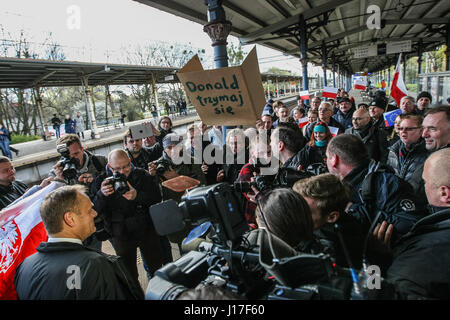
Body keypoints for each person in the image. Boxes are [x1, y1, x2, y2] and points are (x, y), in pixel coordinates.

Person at [14, 185, 144, 300]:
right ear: (70, 219)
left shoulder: (24, 267)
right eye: (89, 210)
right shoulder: (94, 265)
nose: (94, 214)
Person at [374, 148, 450, 299]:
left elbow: (375, 295)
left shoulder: (422, 252)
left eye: (425, 182)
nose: (424, 187)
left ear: (444, 193)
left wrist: (375, 264)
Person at [326, 134, 424, 239]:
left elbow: (414, 224)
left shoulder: (388, 183)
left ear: (334, 160)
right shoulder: (338, 187)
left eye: (327, 157)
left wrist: (356, 210)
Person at [91, 149, 163, 283]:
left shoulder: (141, 175)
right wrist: (101, 194)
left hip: (146, 229)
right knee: (128, 275)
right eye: (117, 169)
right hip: (120, 234)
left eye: (125, 166)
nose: (123, 171)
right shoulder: (101, 181)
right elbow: (93, 210)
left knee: (156, 269)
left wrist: (137, 196)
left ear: (130, 162)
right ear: (109, 166)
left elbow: (157, 198)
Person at [148, 133, 206, 252]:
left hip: (192, 210)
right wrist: (152, 176)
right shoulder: (158, 166)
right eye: (169, 148)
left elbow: (201, 186)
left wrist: (176, 178)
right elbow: (153, 194)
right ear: (164, 149)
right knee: (183, 247)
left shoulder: (192, 162)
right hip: (173, 211)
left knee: (200, 245)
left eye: (176, 146)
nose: (173, 150)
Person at [293, 174, 365, 269]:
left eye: (306, 212)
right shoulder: (322, 224)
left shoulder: (334, 245)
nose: (296, 214)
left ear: (331, 217)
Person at [49, 134, 108, 250]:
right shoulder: (57, 172)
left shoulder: (99, 161)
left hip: (107, 217)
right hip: (84, 224)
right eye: (68, 155)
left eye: (76, 154)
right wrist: (60, 180)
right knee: (93, 257)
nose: (73, 158)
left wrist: (96, 181)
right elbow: (58, 205)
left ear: (82, 149)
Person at [387, 113, 429, 203]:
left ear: (421, 130)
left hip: (418, 204)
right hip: (395, 201)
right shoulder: (393, 150)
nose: (403, 131)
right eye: (401, 128)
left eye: (409, 129)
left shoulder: (429, 154)